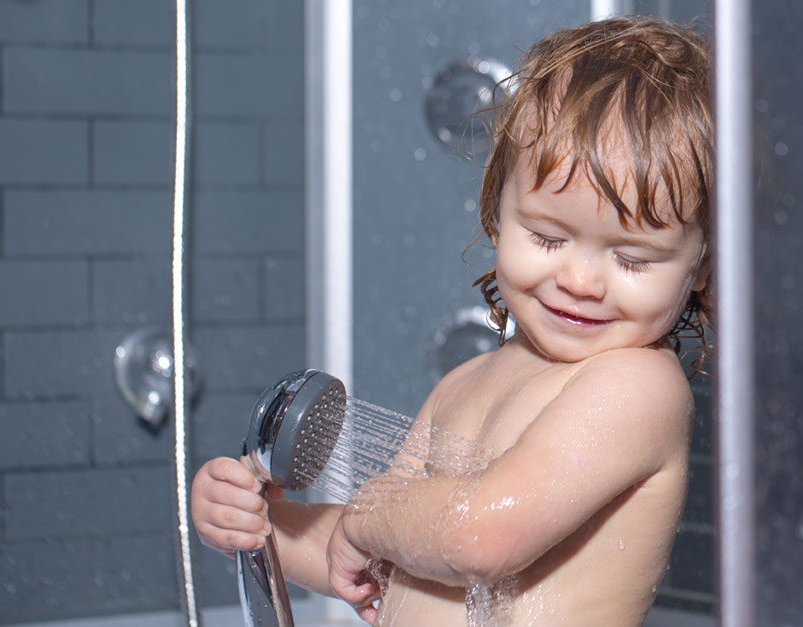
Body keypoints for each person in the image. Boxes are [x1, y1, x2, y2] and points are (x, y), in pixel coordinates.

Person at [191, 15, 713, 626]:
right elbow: (380, 551)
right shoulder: (463, 386)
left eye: (630, 257)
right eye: (547, 238)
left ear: (703, 265)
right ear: (497, 217)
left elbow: (479, 536)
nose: (580, 280)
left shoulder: (636, 389)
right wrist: (261, 525)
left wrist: (362, 523)